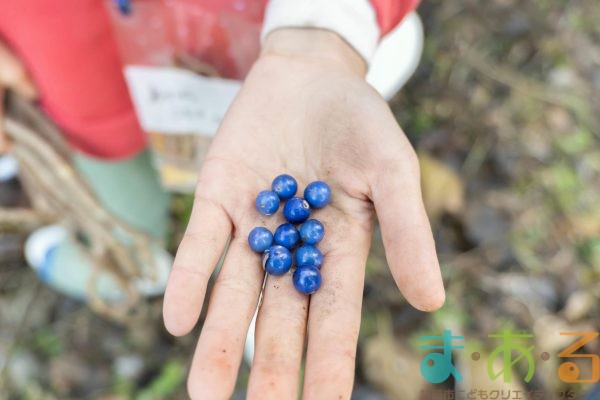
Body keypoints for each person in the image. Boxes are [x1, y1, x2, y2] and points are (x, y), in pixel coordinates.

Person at [0, 0, 445, 398]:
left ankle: (236, 304)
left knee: (227, 226)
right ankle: (139, 268)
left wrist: (320, 33)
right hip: (82, 86)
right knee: (126, 212)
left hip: (280, 59)